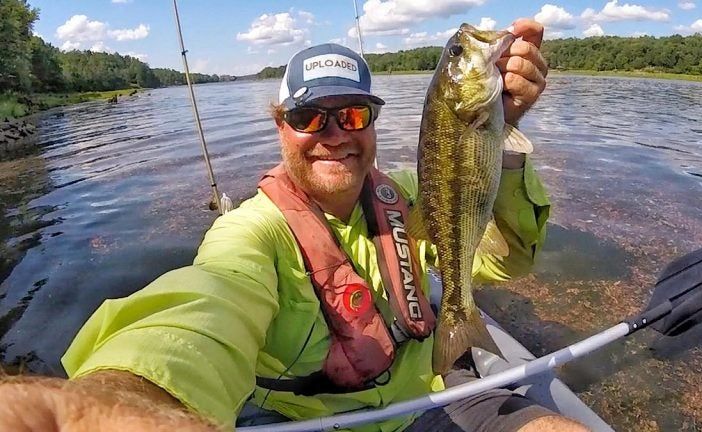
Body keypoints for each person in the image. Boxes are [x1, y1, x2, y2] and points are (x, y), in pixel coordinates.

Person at [0, 19, 587, 432]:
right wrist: (110, 399)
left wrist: (501, 144)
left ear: (373, 125)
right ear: (281, 127)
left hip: (425, 405)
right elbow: (203, 314)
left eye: (352, 113)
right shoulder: (250, 234)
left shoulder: (408, 194)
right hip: (313, 424)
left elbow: (503, 260)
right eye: (309, 116)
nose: (334, 134)